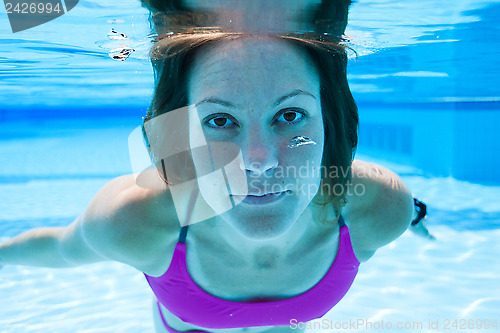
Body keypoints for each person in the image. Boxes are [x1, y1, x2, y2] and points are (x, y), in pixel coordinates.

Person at [0, 30, 415, 332]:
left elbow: (400, 207)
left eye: (289, 115)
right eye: (219, 120)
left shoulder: (382, 206)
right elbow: (61, 248)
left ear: (331, 122)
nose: (260, 162)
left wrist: (417, 214)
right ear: (179, 135)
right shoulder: (136, 220)